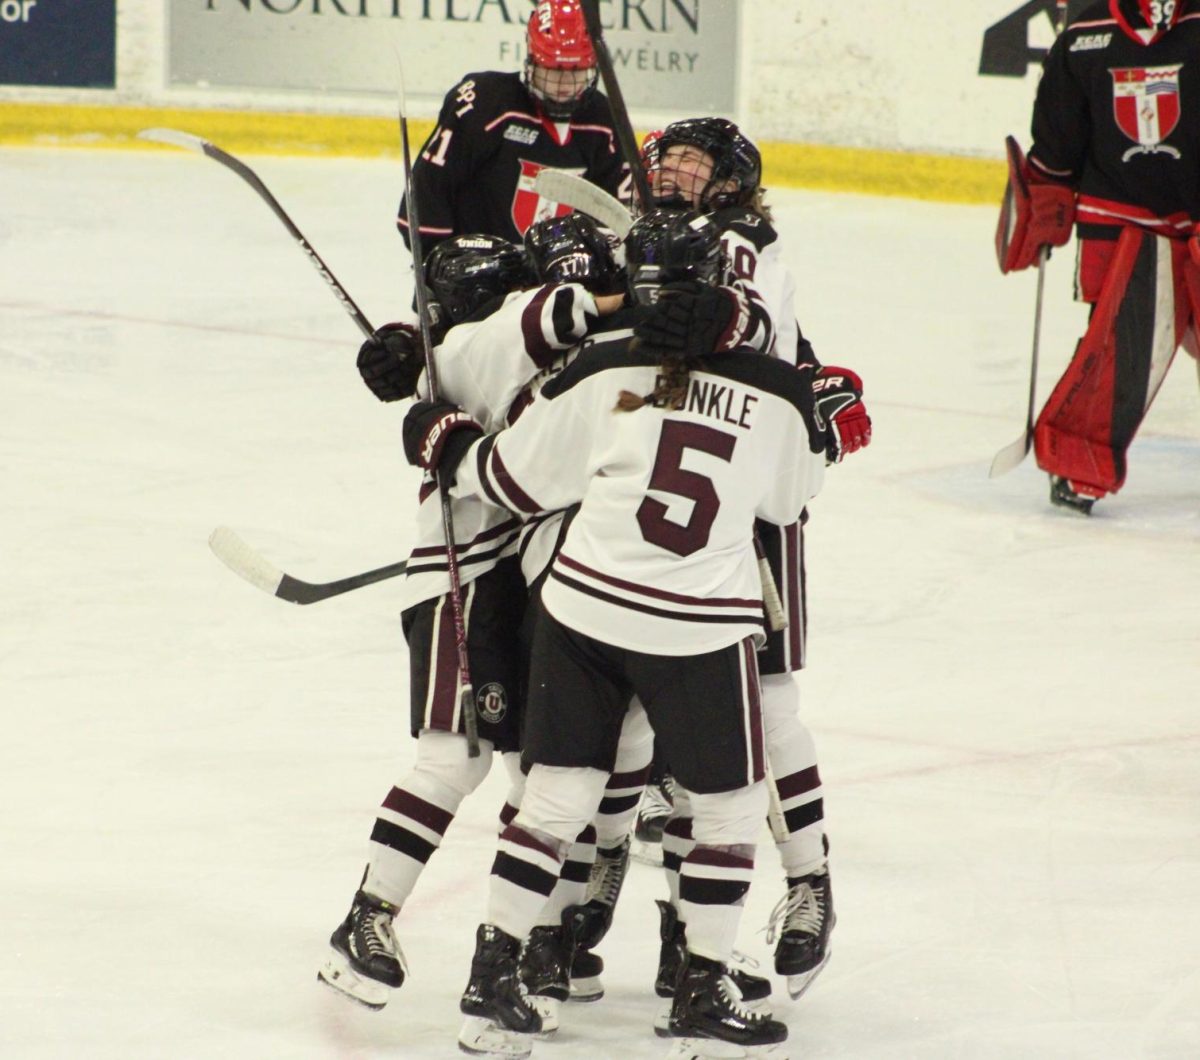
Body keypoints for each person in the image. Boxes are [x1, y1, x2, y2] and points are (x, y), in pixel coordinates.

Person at [402, 208, 827, 1057]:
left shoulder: (600, 371)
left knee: (556, 795)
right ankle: (701, 985)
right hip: (697, 624)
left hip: (583, 611)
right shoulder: (777, 389)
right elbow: (788, 498)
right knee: (728, 806)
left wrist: (440, 440)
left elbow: (511, 483)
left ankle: (494, 981)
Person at [587, 116, 866, 1007]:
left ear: (733, 185)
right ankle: (640, 919)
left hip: (745, 504)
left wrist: (809, 380)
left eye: (692, 162)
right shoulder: (628, 242)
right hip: (642, 493)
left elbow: (755, 322)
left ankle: (810, 883)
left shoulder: (744, 248)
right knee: (633, 708)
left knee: (768, 707)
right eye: (662, 157)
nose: (670, 170)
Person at [996, 0, 1200, 514]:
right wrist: (1043, 197)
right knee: (1118, 342)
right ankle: (1078, 461)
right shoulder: (1085, 34)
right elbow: (1058, 141)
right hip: (1119, 214)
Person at [396, 0, 628, 252]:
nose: (565, 83)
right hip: (480, 268)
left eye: (576, 71)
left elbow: (617, 214)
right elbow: (430, 187)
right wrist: (438, 258)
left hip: (560, 274)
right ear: (531, 60)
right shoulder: (485, 103)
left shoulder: (603, 118)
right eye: (553, 70)